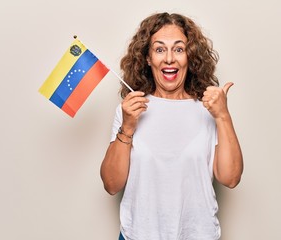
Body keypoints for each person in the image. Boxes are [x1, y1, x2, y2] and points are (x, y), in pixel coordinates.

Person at [100, 12, 243, 240]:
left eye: (178, 49)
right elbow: (111, 184)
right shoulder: (129, 111)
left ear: (190, 56)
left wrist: (223, 115)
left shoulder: (209, 109)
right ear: (147, 58)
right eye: (159, 49)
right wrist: (127, 127)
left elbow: (231, 178)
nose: (169, 59)